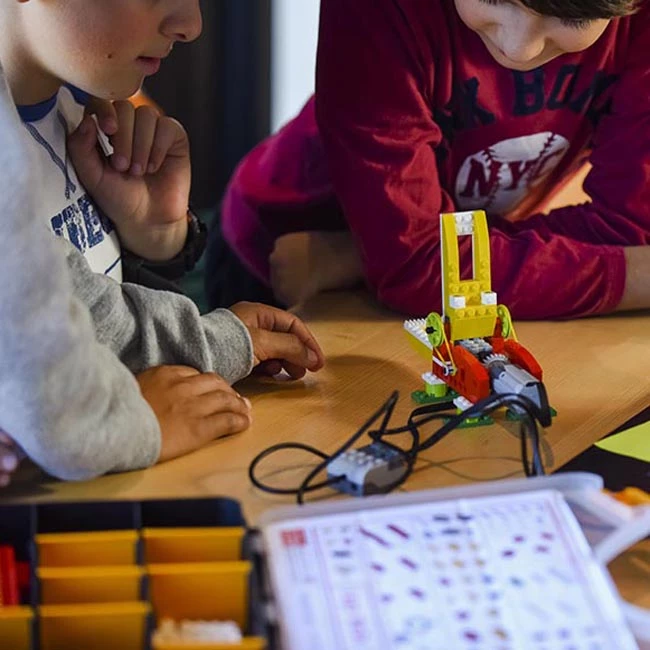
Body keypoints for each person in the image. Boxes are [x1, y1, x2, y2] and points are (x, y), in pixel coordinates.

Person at [0, 0, 324, 484]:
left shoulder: (81, 109)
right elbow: (63, 394)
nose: (191, 25)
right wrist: (138, 409)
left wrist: (154, 241)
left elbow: (95, 304)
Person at [208, 0, 650, 320]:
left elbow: (630, 229)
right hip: (280, 250)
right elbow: (412, 266)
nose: (520, 49)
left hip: (362, 263)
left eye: (573, 15)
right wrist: (635, 277)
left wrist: (365, 260)